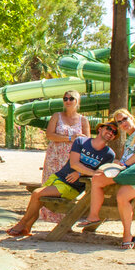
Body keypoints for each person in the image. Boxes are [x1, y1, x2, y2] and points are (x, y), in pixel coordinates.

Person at [8, 121, 118, 237]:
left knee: (37, 193)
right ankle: (27, 227)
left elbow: (99, 174)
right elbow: (74, 163)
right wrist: (83, 172)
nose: (111, 132)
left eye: (114, 132)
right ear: (100, 128)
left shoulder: (109, 154)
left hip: (72, 186)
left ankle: (22, 223)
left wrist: (80, 174)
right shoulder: (81, 142)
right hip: (58, 177)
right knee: (38, 199)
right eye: (109, 128)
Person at [76, 108, 135, 249]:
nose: (123, 123)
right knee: (107, 186)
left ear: (131, 117)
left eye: (125, 119)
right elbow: (126, 160)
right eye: (119, 122)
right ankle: (98, 219)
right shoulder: (127, 141)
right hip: (130, 172)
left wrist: (125, 165)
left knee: (110, 188)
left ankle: (119, 231)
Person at [39, 90, 91, 224]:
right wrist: (69, 138)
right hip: (56, 156)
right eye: (65, 98)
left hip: (73, 157)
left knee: (68, 184)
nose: (68, 101)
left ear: (77, 101)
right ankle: (49, 214)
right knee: (51, 183)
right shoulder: (57, 116)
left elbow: (88, 141)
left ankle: (66, 218)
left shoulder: (83, 120)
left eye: (71, 98)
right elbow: (49, 135)